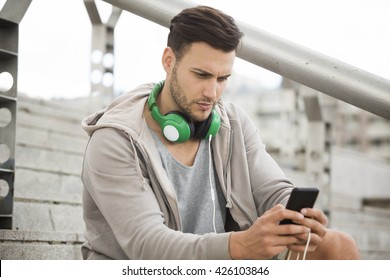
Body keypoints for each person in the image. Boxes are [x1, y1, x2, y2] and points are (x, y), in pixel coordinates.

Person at [80, 5, 360, 260]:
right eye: (201, 75)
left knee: (339, 245)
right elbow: (147, 244)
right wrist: (237, 246)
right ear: (168, 61)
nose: (212, 93)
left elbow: (274, 190)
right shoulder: (114, 140)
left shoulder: (232, 123)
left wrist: (296, 217)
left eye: (222, 78)